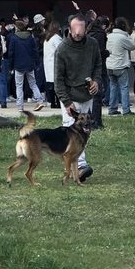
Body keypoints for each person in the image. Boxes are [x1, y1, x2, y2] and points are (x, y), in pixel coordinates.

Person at [52, 13, 102, 182]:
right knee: (71, 131)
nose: (78, 32)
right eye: (75, 28)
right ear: (69, 28)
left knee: (85, 129)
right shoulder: (62, 49)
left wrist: (96, 80)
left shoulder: (92, 44)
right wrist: (66, 101)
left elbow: (97, 65)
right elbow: (58, 79)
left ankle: (77, 165)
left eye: (81, 28)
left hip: (87, 93)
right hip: (70, 95)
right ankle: (79, 166)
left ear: (86, 27)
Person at [8, 18, 44, 111]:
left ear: (17, 27)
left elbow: (11, 53)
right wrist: (37, 63)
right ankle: (40, 101)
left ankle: (20, 106)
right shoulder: (30, 37)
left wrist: (10, 66)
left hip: (18, 65)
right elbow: (34, 51)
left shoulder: (14, 38)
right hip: (30, 65)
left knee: (19, 86)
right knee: (33, 84)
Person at [104, 17, 135, 116]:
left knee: (113, 87)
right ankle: (126, 110)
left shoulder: (109, 36)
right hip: (120, 66)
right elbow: (132, 46)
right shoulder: (123, 37)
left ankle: (112, 109)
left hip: (109, 65)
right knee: (124, 87)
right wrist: (128, 35)